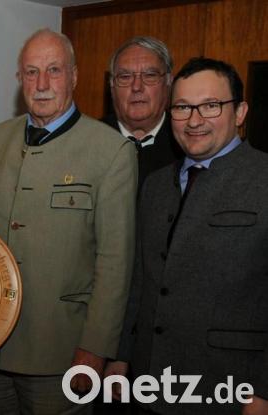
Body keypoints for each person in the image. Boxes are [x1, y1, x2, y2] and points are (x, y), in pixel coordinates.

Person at [0, 28, 137, 414]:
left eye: (54, 70)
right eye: (31, 72)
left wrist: (95, 349)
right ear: (19, 78)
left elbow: (115, 263)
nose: (42, 84)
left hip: (62, 354)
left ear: (74, 76)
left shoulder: (111, 150)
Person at [109, 57, 268, 415]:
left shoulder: (263, 179)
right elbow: (140, 280)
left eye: (211, 105)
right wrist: (120, 357)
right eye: (182, 107)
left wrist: (264, 394)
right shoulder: (155, 186)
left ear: (240, 112)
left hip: (230, 388)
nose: (194, 121)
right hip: (150, 383)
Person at [104, 36, 183, 187]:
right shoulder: (89, 142)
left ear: (168, 82)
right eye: (125, 77)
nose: (136, 87)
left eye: (150, 75)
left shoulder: (186, 143)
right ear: (112, 86)